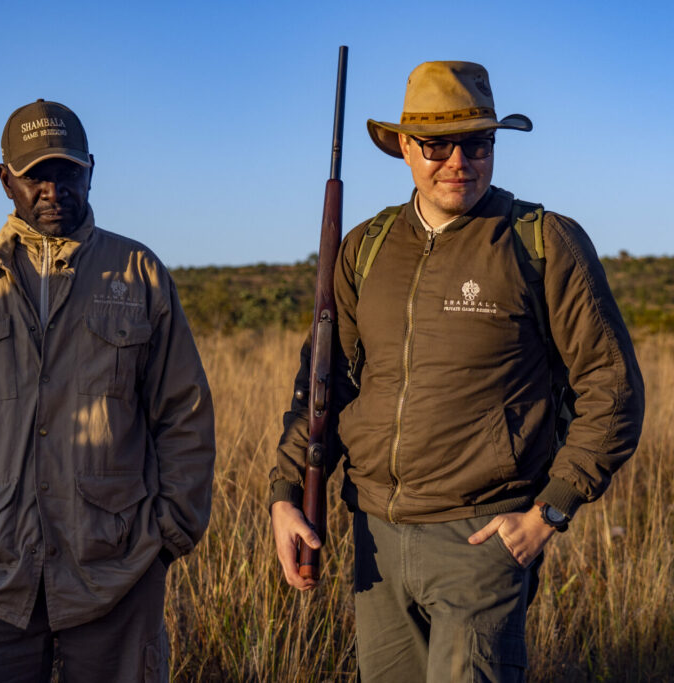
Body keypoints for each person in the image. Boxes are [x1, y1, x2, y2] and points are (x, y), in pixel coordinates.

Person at [270, 61, 646, 682]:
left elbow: (613, 389)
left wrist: (548, 512)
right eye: (437, 144)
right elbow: (324, 384)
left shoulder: (542, 241)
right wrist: (287, 496)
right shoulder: (365, 246)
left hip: (482, 539)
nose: (458, 162)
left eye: (478, 143)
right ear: (406, 148)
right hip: (376, 541)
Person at [0, 99, 215, 682]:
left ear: (91, 169)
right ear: (5, 179)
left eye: (67, 171)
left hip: (117, 575)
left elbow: (184, 415)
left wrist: (167, 537)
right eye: (35, 173)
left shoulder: (139, 274)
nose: (53, 188)